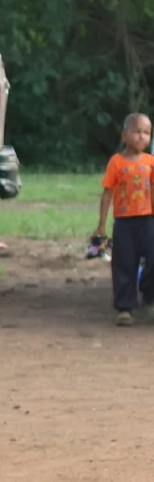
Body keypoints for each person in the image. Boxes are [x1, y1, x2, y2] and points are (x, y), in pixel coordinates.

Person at [95, 112, 154, 326]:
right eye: (137, 131)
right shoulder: (116, 162)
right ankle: (124, 308)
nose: (142, 137)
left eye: (147, 133)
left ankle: (149, 295)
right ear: (124, 135)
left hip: (148, 220)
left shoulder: (151, 162)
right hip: (124, 222)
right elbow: (107, 193)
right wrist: (101, 224)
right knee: (124, 264)